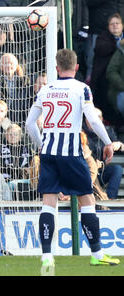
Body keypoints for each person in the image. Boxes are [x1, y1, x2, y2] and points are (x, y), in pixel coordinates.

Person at [25, 48, 120, 267]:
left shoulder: (45, 89)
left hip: (49, 153)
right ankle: (96, 254)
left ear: (56, 68)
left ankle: (47, 255)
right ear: (77, 67)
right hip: (70, 153)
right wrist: (107, 142)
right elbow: (94, 121)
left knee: (48, 203)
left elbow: (30, 124)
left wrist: (42, 145)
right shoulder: (82, 89)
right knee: (87, 199)